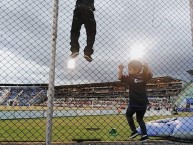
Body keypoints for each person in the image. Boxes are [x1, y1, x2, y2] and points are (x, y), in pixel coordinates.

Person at [118, 60, 153, 141]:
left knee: (128, 115)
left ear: (136, 69)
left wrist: (120, 69)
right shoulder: (143, 76)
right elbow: (151, 74)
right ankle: (144, 135)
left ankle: (134, 131)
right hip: (143, 103)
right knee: (140, 119)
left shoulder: (130, 78)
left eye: (130, 69)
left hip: (133, 103)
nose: (128, 71)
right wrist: (147, 66)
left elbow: (120, 77)